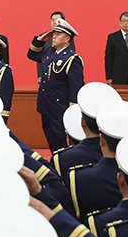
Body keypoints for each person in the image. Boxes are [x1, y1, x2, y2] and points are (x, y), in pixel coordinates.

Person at [28, 19, 85, 152]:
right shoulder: (50, 53)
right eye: (54, 34)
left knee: (61, 140)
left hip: (60, 107)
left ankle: (62, 162)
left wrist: (72, 112)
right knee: (51, 138)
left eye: (58, 34)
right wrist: (41, 40)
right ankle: (55, 160)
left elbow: (76, 87)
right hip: (45, 105)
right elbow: (31, 54)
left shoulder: (72, 59)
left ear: (67, 39)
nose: (53, 36)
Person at [36, 11, 74, 84]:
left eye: (57, 20)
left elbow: (70, 57)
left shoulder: (66, 37)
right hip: (46, 75)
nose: (54, 22)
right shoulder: (44, 37)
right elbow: (39, 58)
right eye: (52, 20)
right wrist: (40, 75)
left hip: (60, 75)